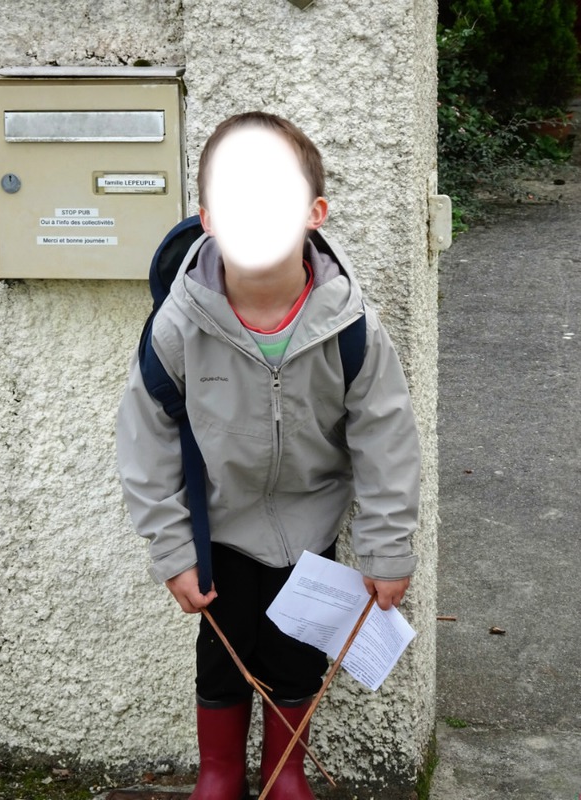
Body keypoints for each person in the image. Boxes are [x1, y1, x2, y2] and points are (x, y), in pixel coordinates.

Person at [116, 111, 420, 800]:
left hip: (310, 533)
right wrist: (172, 550)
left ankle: (287, 777)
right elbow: (145, 437)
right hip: (215, 534)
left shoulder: (351, 327)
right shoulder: (179, 324)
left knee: (296, 659)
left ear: (313, 212)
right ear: (208, 216)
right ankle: (219, 774)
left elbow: (386, 438)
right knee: (222, 665)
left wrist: (387, 548)